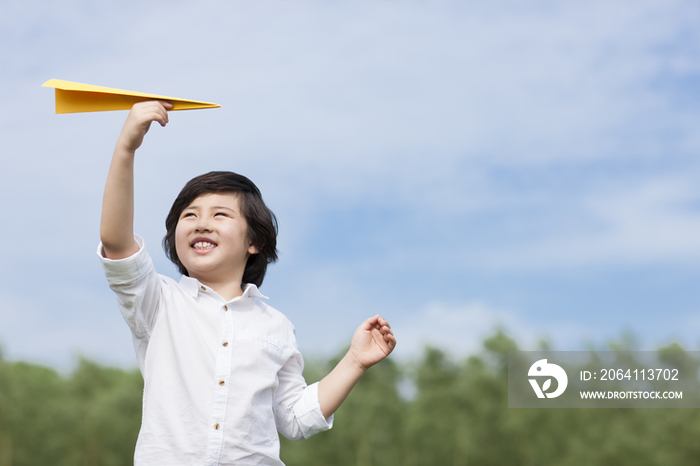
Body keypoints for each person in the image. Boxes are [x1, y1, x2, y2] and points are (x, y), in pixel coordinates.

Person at [98, 101, 396, 466]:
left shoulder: (276, 326)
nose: (201, 223)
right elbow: (116, 243)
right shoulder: (159, 302)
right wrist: (126, 148)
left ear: (254, 242)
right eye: (189, 215)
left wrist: (355, 361)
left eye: (219, 214)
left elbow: (295, 417)